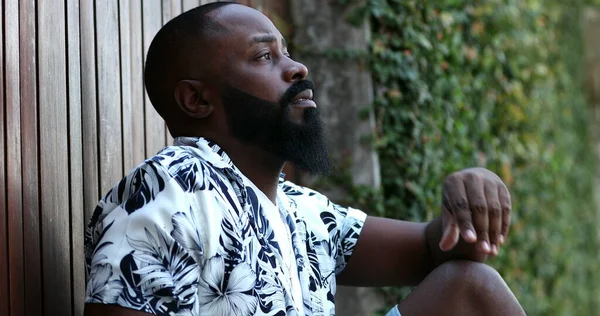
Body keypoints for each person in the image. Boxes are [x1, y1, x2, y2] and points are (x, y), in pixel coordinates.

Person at [83, 2, 526, 316]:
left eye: (288, 52)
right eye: (264, 56)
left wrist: (469, 194)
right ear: (197, 99)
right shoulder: (165, 193)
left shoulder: (300, 210)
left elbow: (440, 251)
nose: (297, 69)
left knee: (469, 287)